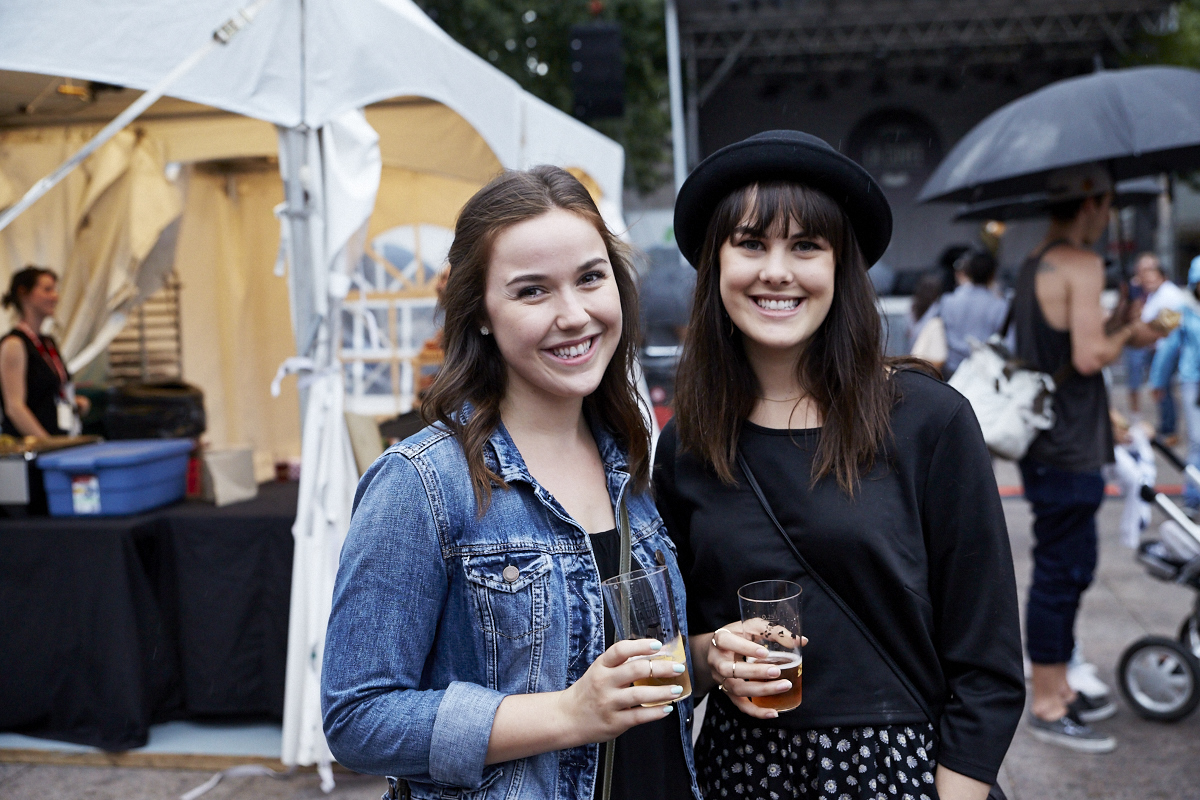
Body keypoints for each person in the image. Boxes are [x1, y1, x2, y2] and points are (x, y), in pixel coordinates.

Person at [656, 130, 1025, 800]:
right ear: (716, 266)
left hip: (900, 772)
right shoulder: (687, 444)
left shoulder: (928, 421)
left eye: (805, 246)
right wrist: (713, 657)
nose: (776, 270)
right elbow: (668, 647)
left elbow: (988, 661)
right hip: (744, 773)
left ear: (840, 268)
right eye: (750, 243)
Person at [321, 166, 700, 800]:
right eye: (531, 292)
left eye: (589, 278)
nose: (573, 315)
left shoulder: (628, 459)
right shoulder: (423, 483)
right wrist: (565, 715)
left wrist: (707, 658)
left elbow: (619, 669)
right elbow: (357, 717)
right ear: (482, 317)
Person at [1012, 164, 1165, 753]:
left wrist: (1113, 323)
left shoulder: (1033, 264)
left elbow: (1066, 342)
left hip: (1047, 442)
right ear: (1093, 205)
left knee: (1063, 566)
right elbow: (1086, 357)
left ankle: (1060, 685)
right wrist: (1126, 333)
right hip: (1068, 445)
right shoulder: (1081, 262)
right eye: (1105, 206)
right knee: (1063, 572)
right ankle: (1050, 700)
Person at [1, 266, 88, 438]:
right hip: (34, 450)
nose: (55, 296)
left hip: (59, 438)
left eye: (54, 290)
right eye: (47, 290)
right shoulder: (14, 344)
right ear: (24, 293)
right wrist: (47, 444)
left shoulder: (48, 342)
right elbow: (15, 407)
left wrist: (73, 404)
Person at [1149, 257, 1200, 515]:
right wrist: (1158, 379)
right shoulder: (1185, 309)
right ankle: (1193, 498)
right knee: (1197, 441)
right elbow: (1169, 347)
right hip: (1193, 381)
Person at [1134, 251, 1186, 442]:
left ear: (1162, 276)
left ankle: (1169, 429)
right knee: (1161, 388)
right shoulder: (1154, 294)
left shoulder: (1169, 294)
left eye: (1151, 275)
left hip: (1167, 349)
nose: (1147, 280)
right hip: (1158, 349)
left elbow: (1162, 325)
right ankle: (1167, 427)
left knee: (1161, 387)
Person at [939, 250, 1008, 377]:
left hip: (952, 368)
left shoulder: (948, 301)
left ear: (967, 272)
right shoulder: (999, 305)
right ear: (993, 274)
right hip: (984, 371)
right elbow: (1006, 342)